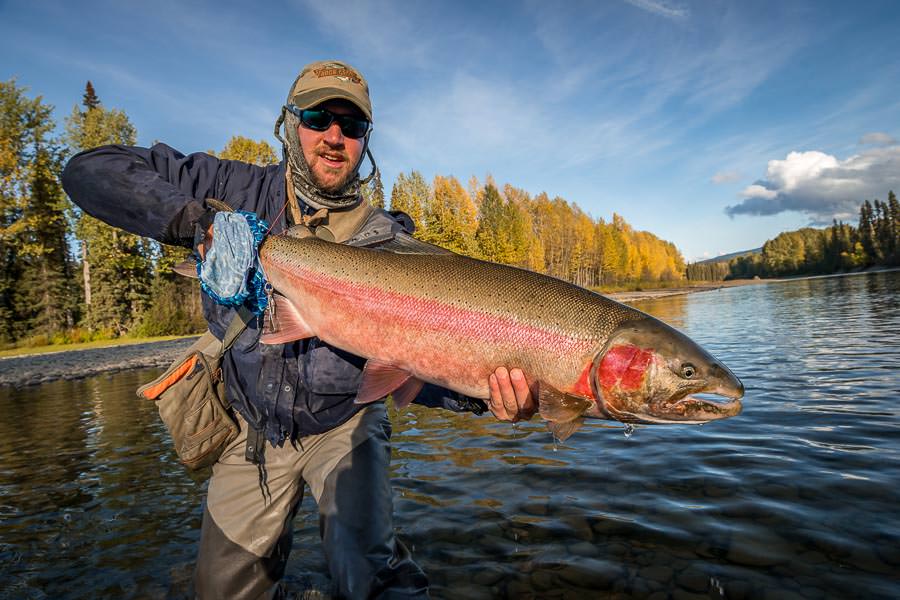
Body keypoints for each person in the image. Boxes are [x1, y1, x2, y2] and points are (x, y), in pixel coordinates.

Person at [62, 60, 535, 599]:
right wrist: (200, 224)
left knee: (375, 579)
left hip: (345, 425)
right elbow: (90, 169)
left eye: (352, 126)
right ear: (290, 124)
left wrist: (483, 397)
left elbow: (417, 365)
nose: (334, 137)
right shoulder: (229, 186)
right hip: (250, 425)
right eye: (317, 118)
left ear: (365, 141)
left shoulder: (389, 244)